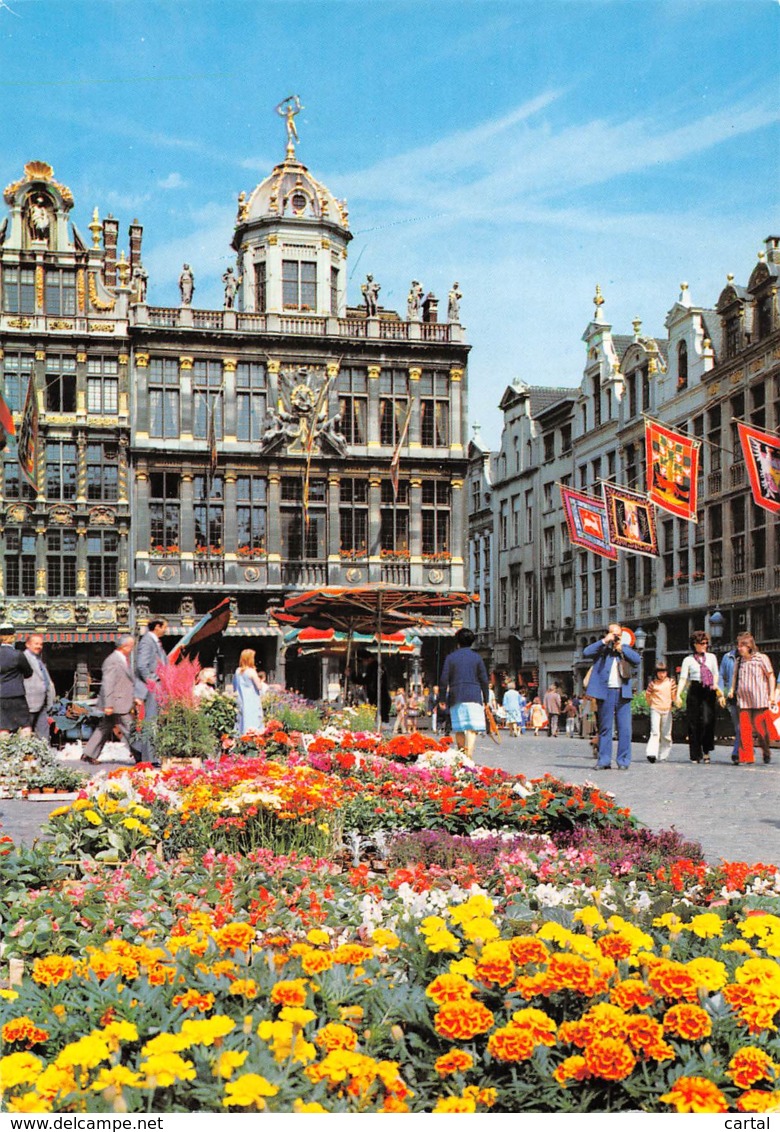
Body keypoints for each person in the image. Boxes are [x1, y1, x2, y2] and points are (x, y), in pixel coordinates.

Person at [582, 624, 641, 770]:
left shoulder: (624, 649)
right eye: (613, 634)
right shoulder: (602, 650)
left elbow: (637, 660)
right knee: (605, 728)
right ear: (607, 634)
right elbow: (586, 651)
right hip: (605, 692)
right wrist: (604, 641)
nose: (616, 637)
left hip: (623, 692)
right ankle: (604, 760)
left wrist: (623, 648)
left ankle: (623, 760)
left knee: (625, 728)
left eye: (618, 635)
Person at [81, 636, 141, 763]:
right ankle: (140, 755)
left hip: (120, 701)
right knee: (130, 729)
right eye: (130, 645)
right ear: (123, 646)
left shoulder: (122, 659)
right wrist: (108, 704)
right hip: (117, 703)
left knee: (104, 727)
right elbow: (108, 683)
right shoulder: (112, 660)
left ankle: (89, 754)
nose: (131, 648)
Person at [438, 627, 490, 758]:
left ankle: (462, 754)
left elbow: (444, 679)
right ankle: (469, 754)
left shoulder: (451, 658)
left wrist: (442, 698)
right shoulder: (477, 658)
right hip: (474, 695)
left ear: (457, 642)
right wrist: (486, 699)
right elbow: (484, 680)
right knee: (472, 729)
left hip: (457, 696)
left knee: (459, 727)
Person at [675, 630, 723, 764]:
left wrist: (715, 685)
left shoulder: (712, 657)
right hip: (695, 689)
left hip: (708, 690)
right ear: (694, 644)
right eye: (701, 643)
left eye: (706, 643)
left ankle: (706, 750)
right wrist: (678, 694)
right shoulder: (688, 660)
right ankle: (695, 754)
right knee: (694, 722)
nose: (704, 646)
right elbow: (684, 678)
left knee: (708, 721)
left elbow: (716, 673)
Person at [729, 632, 777, 765]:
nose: (739, 648)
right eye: (738, 645)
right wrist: (732, 690)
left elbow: (771, 676)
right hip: (744, 700)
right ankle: (747, 757)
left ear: (749, 646)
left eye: (742, 646)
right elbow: (735, 676)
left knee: (761, 729)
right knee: (744, 729)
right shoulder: (739, 661)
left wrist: (772, 695)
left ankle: (766, 750)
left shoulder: (761, 658)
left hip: (759, 700)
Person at [134, 618, 169, 760]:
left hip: (157, 687)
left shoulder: (154, 642)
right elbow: (142, 665)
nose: (166, 630)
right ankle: (149, 757)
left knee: (154, 720)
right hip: (151, 688)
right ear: (157, 627)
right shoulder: (147, 641)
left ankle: (145, 752)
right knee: (151, 721)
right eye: (164, 627)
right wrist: (153, 682)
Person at [0, 624, 33, 735]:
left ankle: (3, 751)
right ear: (12, 637)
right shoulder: (18, 655)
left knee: (3, 727)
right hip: (16, 695)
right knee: (25, 726)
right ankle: (25, 751)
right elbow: (29, 673)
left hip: (1, 696)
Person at [23, 633, 56, 742]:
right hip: (29, 701)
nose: (39, 646)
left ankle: (43, 755)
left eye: (41, 644)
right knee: (26, 732)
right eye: (36, 644)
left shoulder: (38, 659)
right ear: (28, 644)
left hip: (42, 702)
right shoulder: (24, 658)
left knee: (43, 731)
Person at [645, 661, 677, 764]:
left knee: (666, 734)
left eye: (664, 672)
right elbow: (648, 695)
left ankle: (663, 755)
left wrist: (675, 701)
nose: (662, 674)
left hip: (667, 710)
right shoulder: (652, 683)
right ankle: (652, 753)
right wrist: (651, 705)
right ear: (656, 673)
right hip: (656, 709)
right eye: (659, 672)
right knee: (655, 732)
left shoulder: (671, 682)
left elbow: (674, 695)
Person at [233, 649, 264, 734]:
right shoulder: (251, 671)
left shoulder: (237, 671)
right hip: (252, 699)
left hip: (241, 699)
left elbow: (235, 687)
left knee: (242, 719)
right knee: (253, 720)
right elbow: (259, 686)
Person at [719, 644, 741, 765]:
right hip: (732, 697)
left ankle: (737, 752)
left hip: (747, 697)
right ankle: (740, 750)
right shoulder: (727, 657)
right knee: (738, 726)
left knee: (742, 727)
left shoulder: (753, 658)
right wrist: (721, 693)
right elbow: (721, 675)